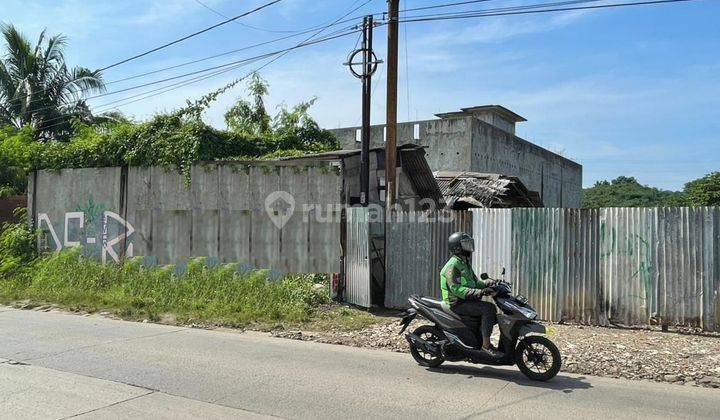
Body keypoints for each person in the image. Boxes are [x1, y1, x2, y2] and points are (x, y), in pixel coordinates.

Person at [440, 232, 500, 357]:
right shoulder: (453, 265)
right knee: (488, 309)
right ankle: (486, 346)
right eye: (466, 244)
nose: (469, 247)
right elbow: (456, 289)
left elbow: (474, 282)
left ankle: (477, 337)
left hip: (466, 300)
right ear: (457, 247)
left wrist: (489, 283)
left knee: (490, 309)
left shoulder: (463, 262)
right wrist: (480, 292)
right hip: (457, 302)